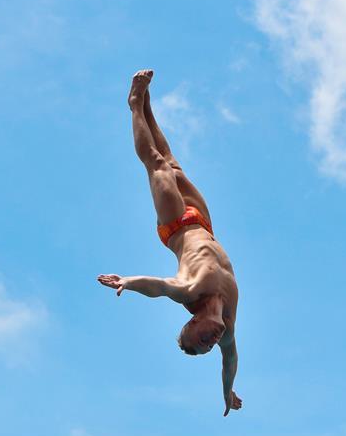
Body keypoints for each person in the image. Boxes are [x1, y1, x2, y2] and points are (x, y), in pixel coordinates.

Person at [98, 69, 242, 417]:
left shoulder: (190, 291)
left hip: (175, 225)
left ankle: (135, 104)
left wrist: (128, 281)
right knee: (172, 162)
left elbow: (159, 287)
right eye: (209, 346)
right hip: (203, 222)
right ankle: (145, 101)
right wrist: (227, 392)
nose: (212, 342)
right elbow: (230, 361)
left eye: (202, 339)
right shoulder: (228, 326)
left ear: (192, 323)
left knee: (156, 163)